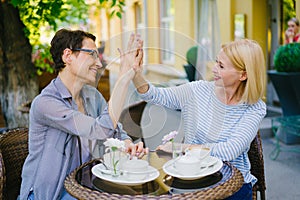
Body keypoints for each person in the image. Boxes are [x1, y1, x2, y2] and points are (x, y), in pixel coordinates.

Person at [20, 29, 147, 200]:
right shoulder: (46, 104)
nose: (99, 63)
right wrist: (124, 77)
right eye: (92, 54)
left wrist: (127, 143)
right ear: (68, 56)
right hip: (51, 193)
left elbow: (114, 128)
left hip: (83, 186)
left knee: (137, 196)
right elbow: (100, 129)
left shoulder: (91, 95)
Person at [132, 39, 266, 199]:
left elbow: (230, 150)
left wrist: (182, 147)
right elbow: (155, 95)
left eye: (221, 66)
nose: (214, 69)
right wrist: (136, 74)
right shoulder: (197, 91)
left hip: (233, 183)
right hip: (191, 177)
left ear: (243, 75)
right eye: (216, 62)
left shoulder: (254, 107)